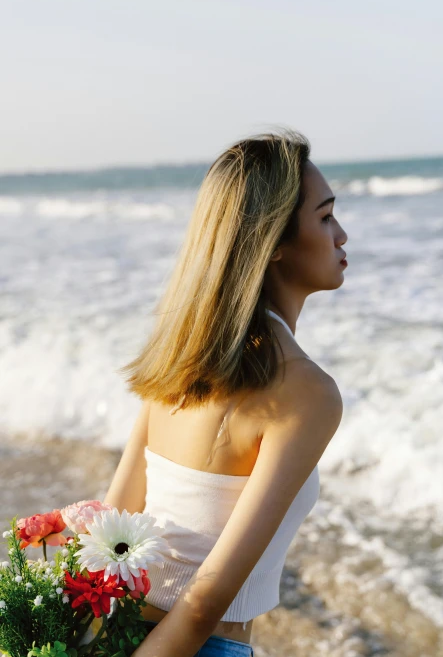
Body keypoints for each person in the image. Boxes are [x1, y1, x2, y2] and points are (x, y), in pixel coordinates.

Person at [103, 129, 348, 657]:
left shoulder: (179, 356)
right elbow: (206, 599)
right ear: (275, 243)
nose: (342, 235)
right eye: (326, 217)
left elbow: (111, 523)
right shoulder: (306, 393)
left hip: (115, 635)